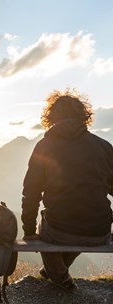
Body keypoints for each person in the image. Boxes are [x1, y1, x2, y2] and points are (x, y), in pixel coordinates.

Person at [21, 89, 113, 290]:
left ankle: (61, 278)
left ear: (52, 117)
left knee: (45, 227)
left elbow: (31, 193)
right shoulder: (104, 147)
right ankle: (51, 271)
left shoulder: (45, 146)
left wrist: (28, 231)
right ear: (84, 116)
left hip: (60, 231)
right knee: (78, 223)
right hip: (100, 231)